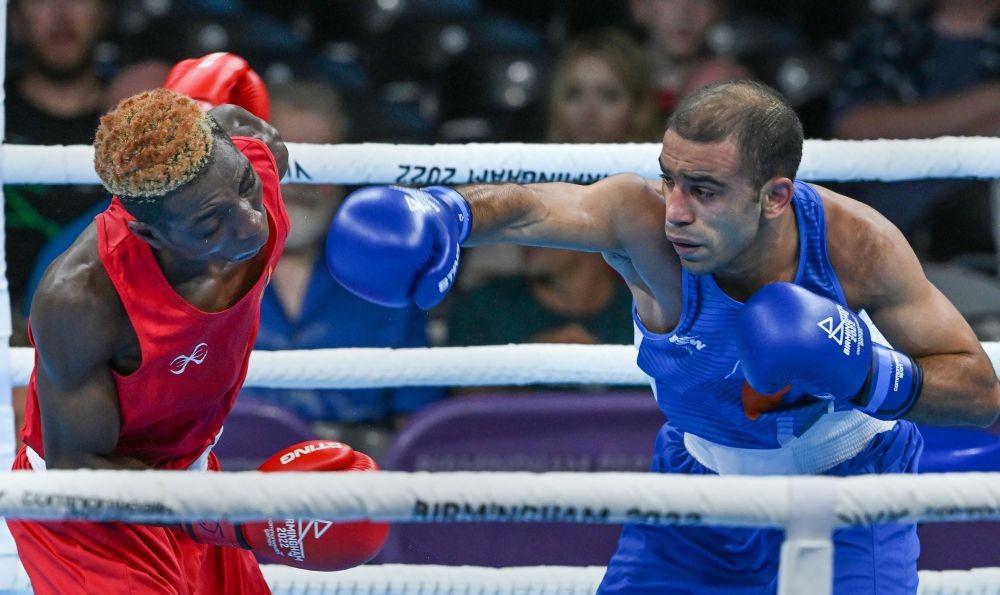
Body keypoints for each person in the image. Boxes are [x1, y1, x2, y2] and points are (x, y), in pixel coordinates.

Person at [326, 79, 1000, 593]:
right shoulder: (644, 222)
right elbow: (542, 205)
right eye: (670, 178)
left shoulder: (857, 246)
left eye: (704, 190)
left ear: (775, 195)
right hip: (699, 487)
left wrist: (871, 376)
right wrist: (447, 214)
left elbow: (978, 391)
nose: (676, 210)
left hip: (853, 489)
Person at [9, 55, 385, 594]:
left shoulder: (252, 165)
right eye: (212, 223)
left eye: (245, 187)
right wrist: (223, 516)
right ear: (153, 236)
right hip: (89, 516)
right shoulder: (85, 298)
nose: (252, 223)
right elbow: (80, 466)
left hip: (192, 477)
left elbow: (222, 84)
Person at [241, 80, 444, 459]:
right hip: (217, 492)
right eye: (286, 157)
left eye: (321, 159)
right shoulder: (195, 270)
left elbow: (418, 432)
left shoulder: (391, 281)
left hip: (352, 491)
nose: (303, 178)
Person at [448, 29, 647, 354]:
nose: (588, 112)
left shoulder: (661, 194)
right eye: (573, 94)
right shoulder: (523, 185)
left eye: (608, 95)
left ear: (637, 109)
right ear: (555, 105)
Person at [828, 0, 1000, 262]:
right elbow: (855, 123)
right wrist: (986, 102)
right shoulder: (890, 34)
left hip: (982, 227)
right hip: (886, 230)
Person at [6, 0, 109, 344]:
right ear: (16, 17)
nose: (62, 12)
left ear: (103, 12)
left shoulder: (136, 119)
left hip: (109, 335)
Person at [629, 0, 750, 118]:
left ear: (719, 12)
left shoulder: (730, 87)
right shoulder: (615, 77)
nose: (684, 11)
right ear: (640, 5)